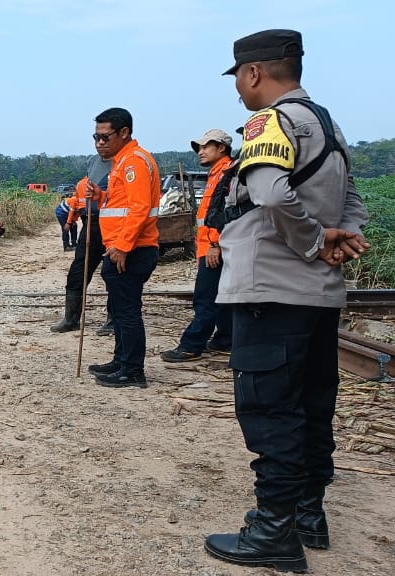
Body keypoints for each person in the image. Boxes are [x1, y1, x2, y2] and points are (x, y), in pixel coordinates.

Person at [203, 29, 370, 573]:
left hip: (270, 291)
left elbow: (271, 192)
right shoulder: (327, 122)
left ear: (253, 73)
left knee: (271, 407)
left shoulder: (270, 121)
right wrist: (339, 238)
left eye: (239, 80)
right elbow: (353, 199)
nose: (239, 91)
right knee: (312, 404)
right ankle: (307, 514)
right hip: (319, 297)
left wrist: (311, 240)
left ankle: (273, 532)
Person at [85, 107, 160, 388]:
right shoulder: (123, 162)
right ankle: (121, 360)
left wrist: (123, 246)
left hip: (132, 249)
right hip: (121, 247)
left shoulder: (133, 163)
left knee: (127, 311)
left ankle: (132, 369)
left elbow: (139, 208)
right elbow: (123, 204)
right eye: (96, 137)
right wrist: (102, 195)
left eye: (105, 137)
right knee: (118, 309)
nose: (99, 143)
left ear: (124, 132)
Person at [160, 129, 235, 362]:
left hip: (214, 247)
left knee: (205, 299)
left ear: (221, 148)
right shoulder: (217, 174)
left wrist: (215, 244)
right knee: (220, 297)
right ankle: (225, 341)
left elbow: (225, 214)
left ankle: (191, 346)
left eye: (205, 147)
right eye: (199, 148)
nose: (200, 152)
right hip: (209, 246)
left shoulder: (228, 175)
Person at [51, 156, 114, 335]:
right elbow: (77, 206)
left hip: (112, 225)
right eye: (97, 138)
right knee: (77, 273)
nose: (100, 143)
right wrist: (74, 222)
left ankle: (113, 320)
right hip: (90, 224)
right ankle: (71, 319)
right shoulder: (84, 181)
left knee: (112, 274)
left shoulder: (123, 165)